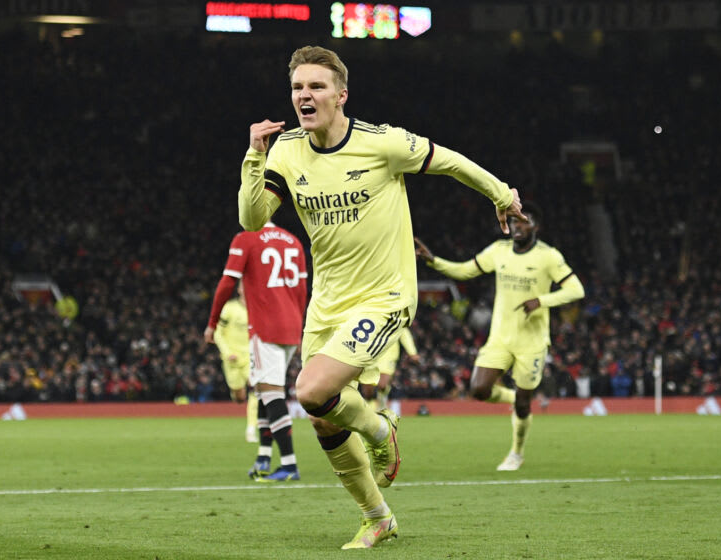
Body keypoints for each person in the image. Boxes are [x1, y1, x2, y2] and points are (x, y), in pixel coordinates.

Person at [239, 45, 525, 549]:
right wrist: (254, 155)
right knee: (322, 414)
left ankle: (377, 429)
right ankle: (378, 517)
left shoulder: (382, 143)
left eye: (316, 86)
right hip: (326, 302)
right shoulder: (284, 150)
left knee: (309, 391)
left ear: (341, 94)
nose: (305, 95)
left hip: (385, 295)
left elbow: (451, 162)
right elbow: (252, 219)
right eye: (297, 87)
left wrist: (502, 194)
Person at [415, 201, 584, 471]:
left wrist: (540, 301)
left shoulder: (548, 256)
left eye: (524, 221)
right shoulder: (499, 251)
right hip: (500, 338)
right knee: (479, 389)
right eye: (514, 221)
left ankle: (516, 452)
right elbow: (465, 270)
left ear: (535, 226)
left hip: (532, 341)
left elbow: (576, 290)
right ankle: (515, 399)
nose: (518, 226)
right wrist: (433, 261)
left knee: (524, 403)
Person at [204, 222, 308, 482]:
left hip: (265, 327)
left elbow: (228, 282)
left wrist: (212, 322)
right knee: (263, 391)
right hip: (292, 325)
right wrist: (299, 324)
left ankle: (289, 464)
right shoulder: (292, 240)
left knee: (271, 393)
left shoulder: (246, 237)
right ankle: (263, 457)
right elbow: (302, 291)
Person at [206, 279, 258, 443]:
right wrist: (228, 353)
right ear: (239, 290)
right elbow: (218, 333)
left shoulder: (258, 308)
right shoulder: (229, 309)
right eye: (244, 286)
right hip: (232, 359)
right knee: (239, 397)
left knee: (257, 390)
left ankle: (251, 429)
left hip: (251, 357)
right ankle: (237, 395)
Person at [361, 327, 420, 411]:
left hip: (388, 356)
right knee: (368, 390)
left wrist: (412, 352)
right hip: (370, 354)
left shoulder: (395, 317)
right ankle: (369, 408)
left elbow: (404, 332)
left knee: (382, 384)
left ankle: (382, 402)